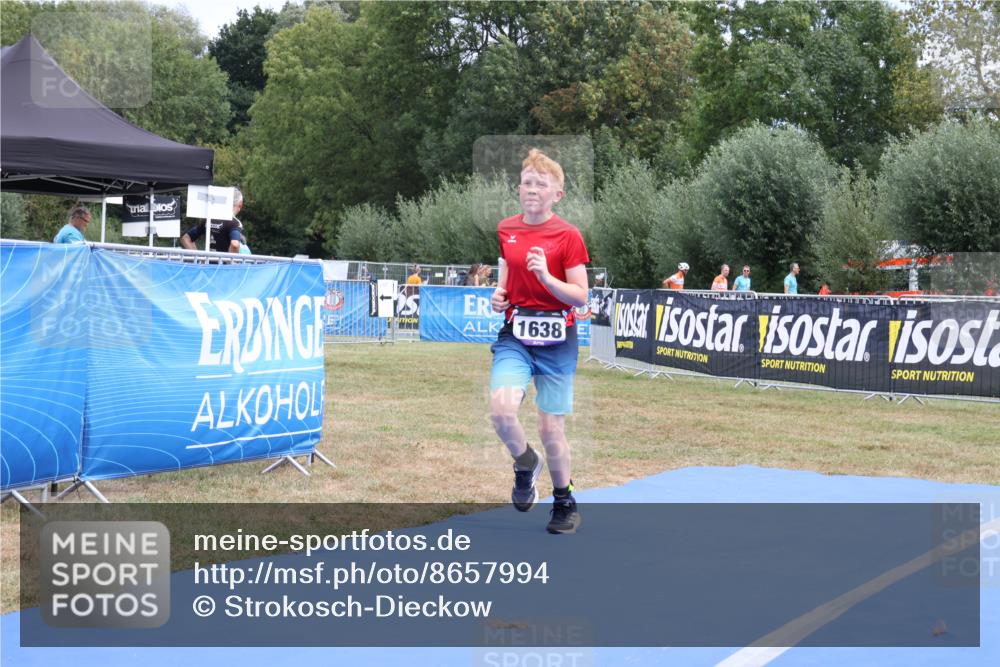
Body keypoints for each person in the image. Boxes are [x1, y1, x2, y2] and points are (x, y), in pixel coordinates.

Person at [490, 148, 589, 535]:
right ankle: (525, 462)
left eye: (541, 184)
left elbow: (581, 296)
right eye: (527, 183)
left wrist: (547, 278)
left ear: (557, 194)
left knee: (551, 430)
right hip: (516, 334)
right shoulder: (506, 229)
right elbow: (504, 280)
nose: (532, 189)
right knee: (501, 410)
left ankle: (564, 500)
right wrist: (498, 295)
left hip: (558, 338)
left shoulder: (568, 236)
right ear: (519, 189)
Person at [181, 187, 244, 253]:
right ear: (240, 204)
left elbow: (186, 238)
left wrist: (199, 258)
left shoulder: (209, 219)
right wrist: (230, 262)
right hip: (223, 263)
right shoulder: (234, 223)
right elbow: (235, 244)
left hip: (207, 262)